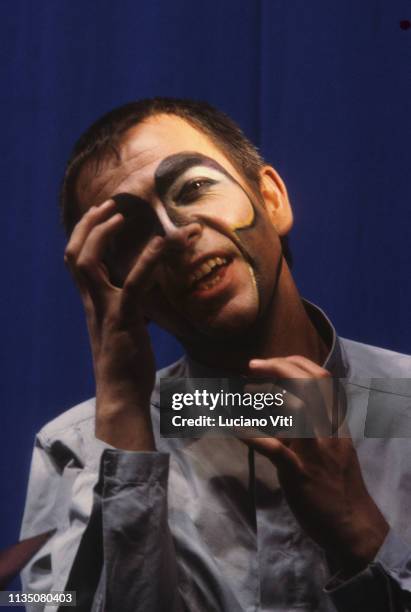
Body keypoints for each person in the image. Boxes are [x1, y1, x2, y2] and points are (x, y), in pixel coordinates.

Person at [21, 98, 411, 611]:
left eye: (195, 189)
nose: (175, 234)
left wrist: (361, 535)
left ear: (270, 198)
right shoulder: (71, 450)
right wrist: (124, 427)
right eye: (131, 232)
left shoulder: (403, 405)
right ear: (112, 283)